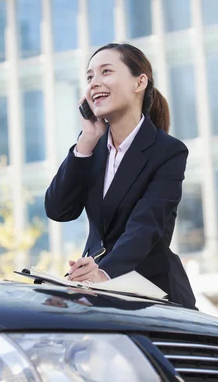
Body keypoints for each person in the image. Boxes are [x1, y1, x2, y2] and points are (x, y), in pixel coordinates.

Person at [45, 43, 197, 310]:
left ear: (139, 82)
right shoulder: (93, 149)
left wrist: (103, 274)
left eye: (106, 72)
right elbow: (59, 210)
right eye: (90, 76)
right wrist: (86, 141)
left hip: (153, 296)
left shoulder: (168, 151)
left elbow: (146, 225)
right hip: (94, 292)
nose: (94, 83)